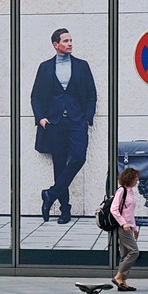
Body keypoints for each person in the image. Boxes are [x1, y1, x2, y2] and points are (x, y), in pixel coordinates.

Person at [32, 27, 98, 225]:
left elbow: (91, 95)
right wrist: (41, 118)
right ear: (56, 45)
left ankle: (50, 194)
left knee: (79, 157)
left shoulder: (81, 66)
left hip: (77, 121)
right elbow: (35, 95)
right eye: (65, 41)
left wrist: (87, 118)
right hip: (54, 123)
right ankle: (65, 210)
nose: (70, 43)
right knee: (59, 166)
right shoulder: (45, 67)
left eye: (71, 40)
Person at [110, 168, 140, 291]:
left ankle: (123, 282)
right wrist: (123, 224)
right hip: (123, 228)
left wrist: (135, 228)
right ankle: (118, 277)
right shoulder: (121, 191)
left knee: (126, 254)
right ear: (129, 178)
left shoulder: (130, 192)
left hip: (129, 227)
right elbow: (114, 209)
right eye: (135, 178)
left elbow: (130, 213)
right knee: (134, 252)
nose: (137, 180)